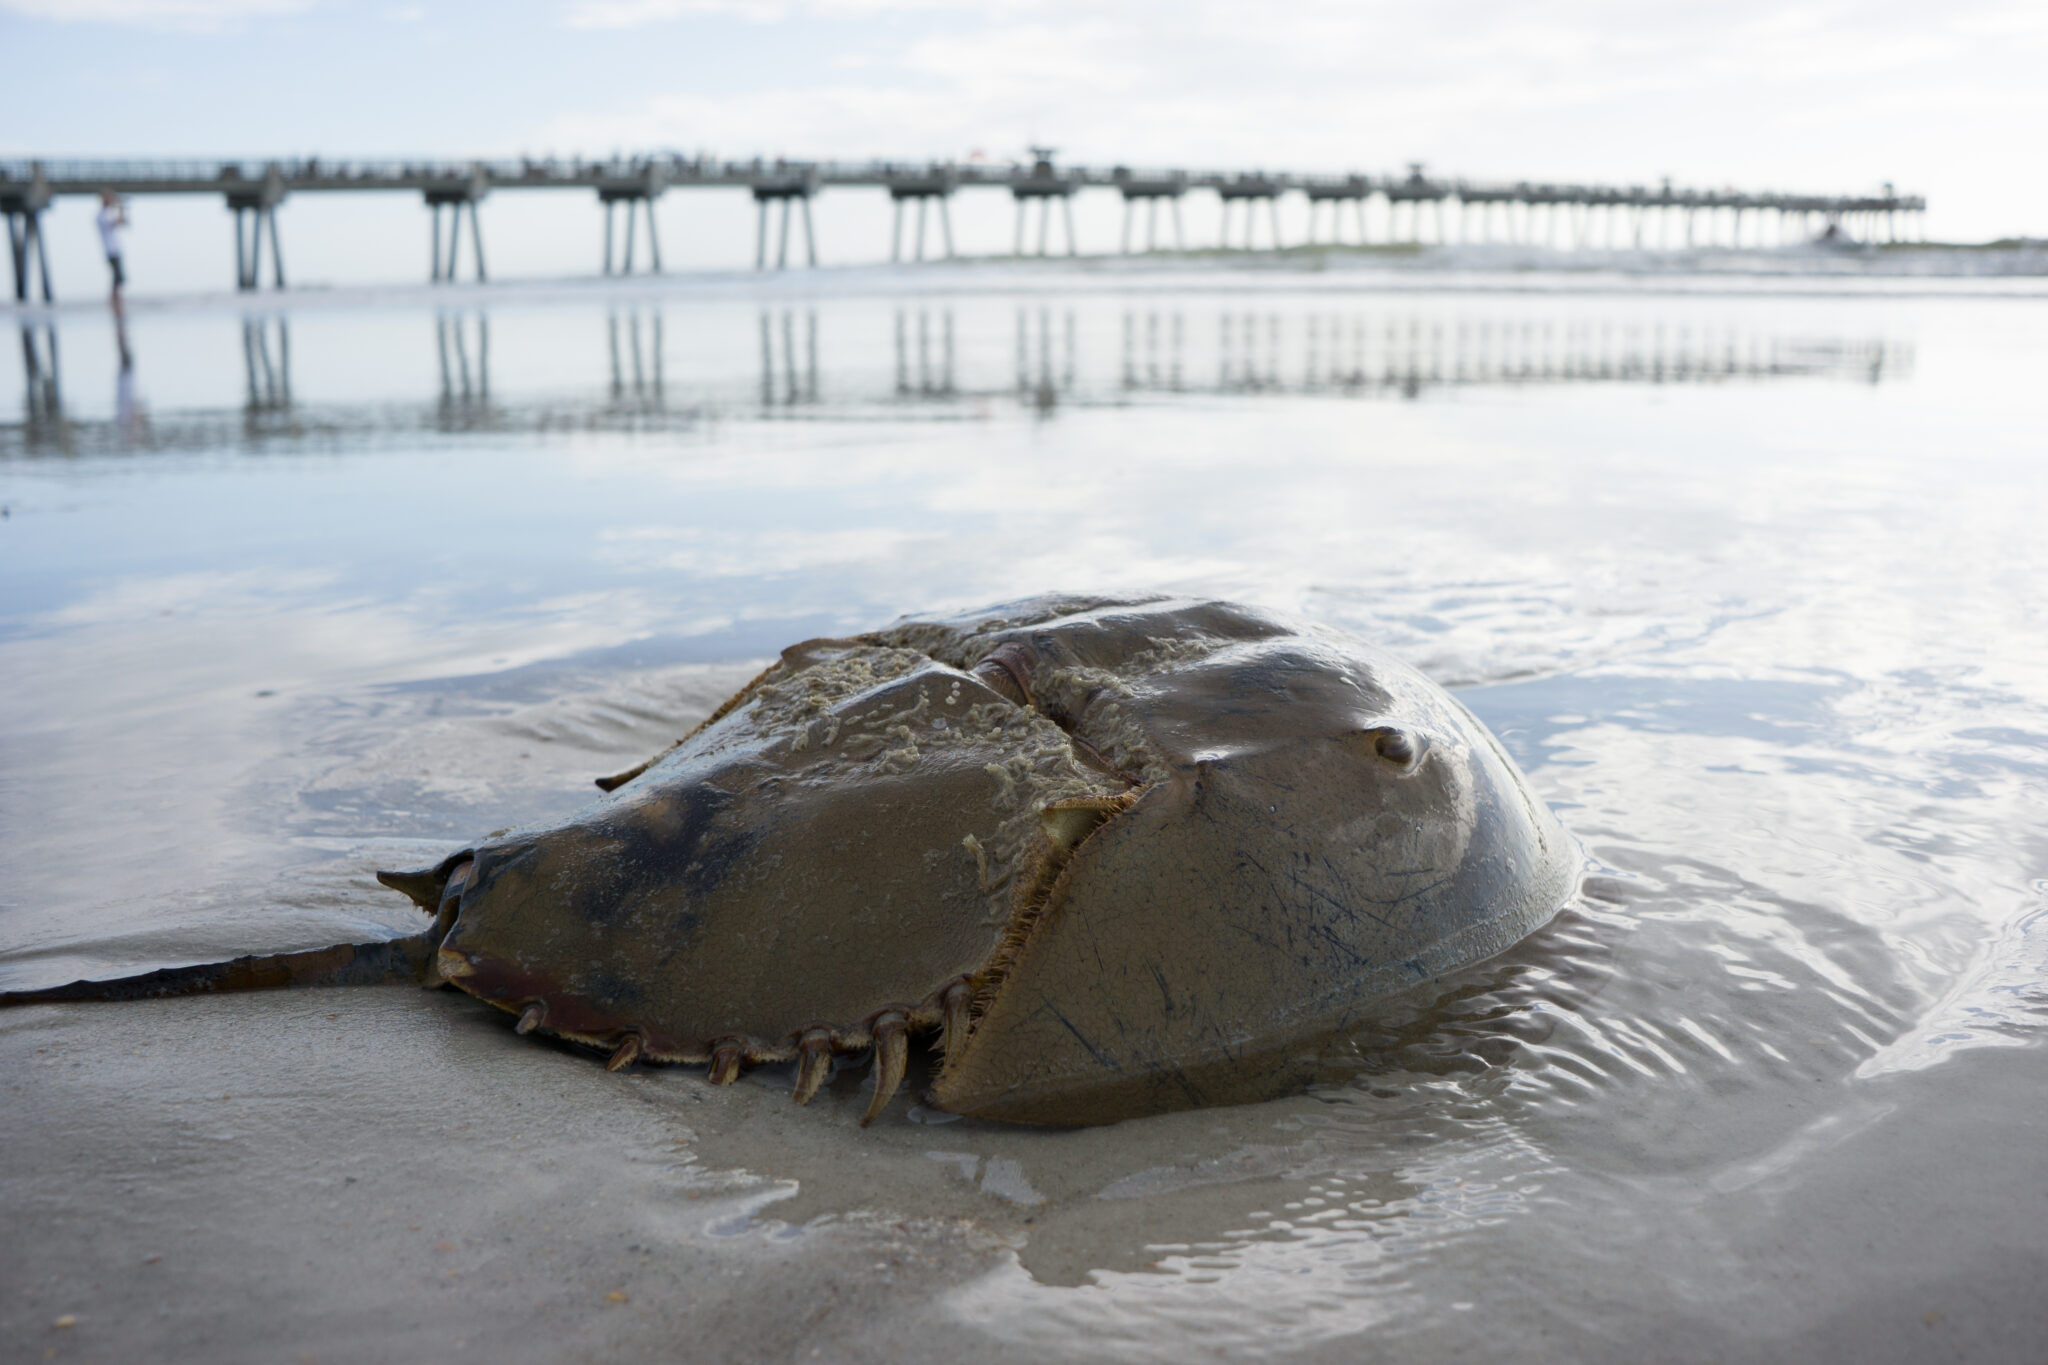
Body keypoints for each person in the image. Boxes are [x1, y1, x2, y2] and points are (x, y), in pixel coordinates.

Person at [96, 189, 128, 311]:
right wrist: (121, 208)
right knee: (117, 278)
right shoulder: (102, 215)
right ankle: (115, 303)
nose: (111, 200)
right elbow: (120, 222)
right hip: (111, 251)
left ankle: (116, 302)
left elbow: (123, 223)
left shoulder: (107, 214)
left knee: (118, 279)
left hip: (115, 250)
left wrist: (119, 208)